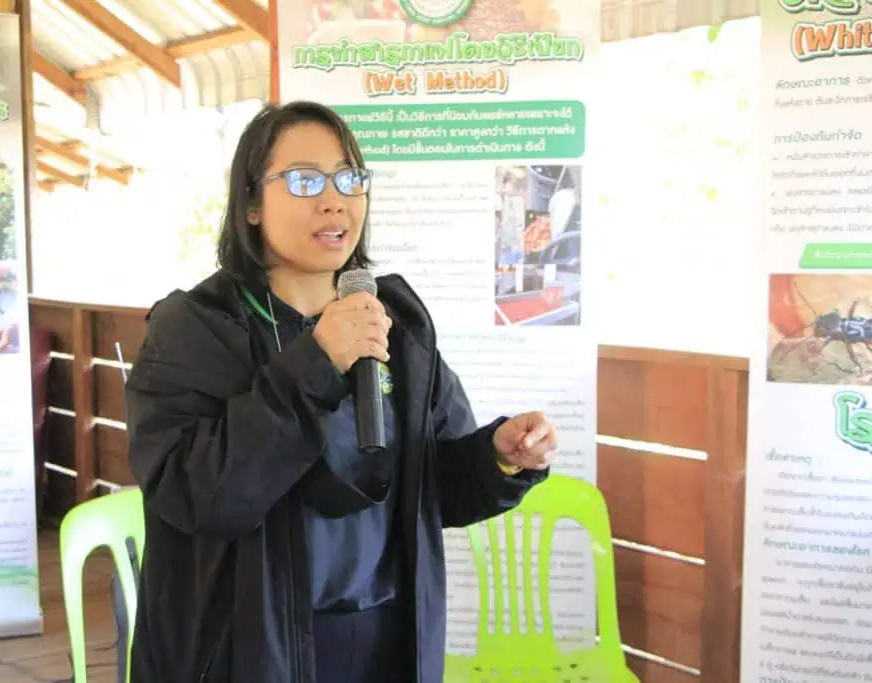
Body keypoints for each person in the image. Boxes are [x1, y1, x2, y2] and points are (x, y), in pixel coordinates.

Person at [124, 100, 558, 683]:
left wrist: (499, 459)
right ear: (251, 204)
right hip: (248, 649)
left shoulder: (394, 322)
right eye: (304, 180)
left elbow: (437, 489)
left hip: (384, 635)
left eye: (349, 178)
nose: (334, 200)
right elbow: (195, 494)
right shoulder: (193, 328)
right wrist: (316, 363)